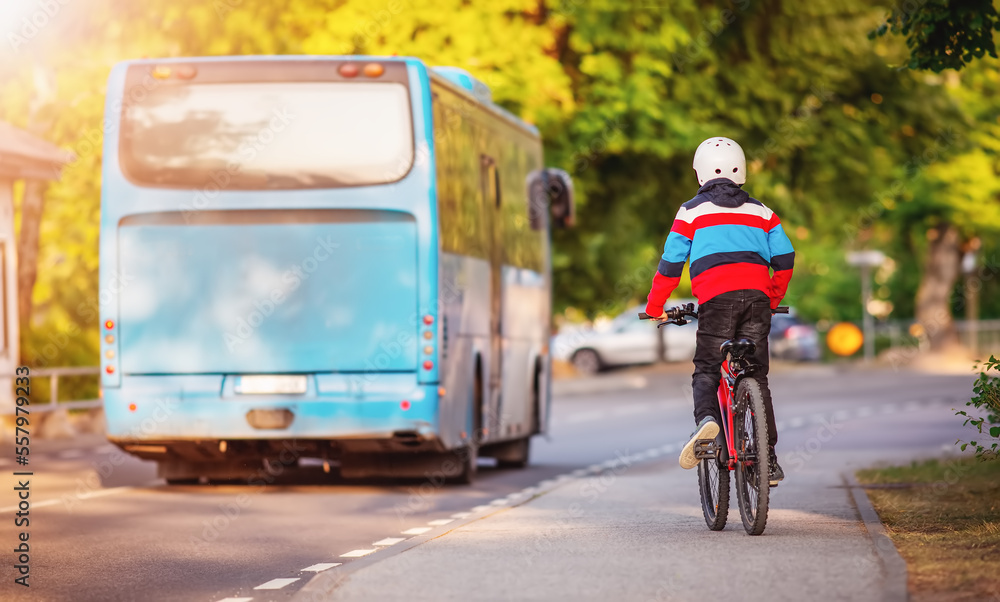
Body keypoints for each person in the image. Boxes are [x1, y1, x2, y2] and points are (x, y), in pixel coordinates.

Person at [644, 136, 794, 484]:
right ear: (740, 171)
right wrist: (771, 297)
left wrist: (655, 308)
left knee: (707, 369)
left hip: (716, 300)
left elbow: (670, 264)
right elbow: (785, 258)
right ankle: (768, 459)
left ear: (700, 173)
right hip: (757, 300)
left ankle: (707, 420)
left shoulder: (691, 211)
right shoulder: (762, 212)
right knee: (756, 375)